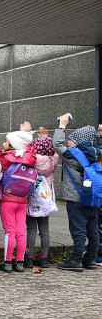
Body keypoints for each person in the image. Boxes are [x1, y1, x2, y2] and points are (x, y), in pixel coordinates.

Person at [53, 115, 101, 272]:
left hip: (77, 199)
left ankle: (75, 261)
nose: (69, 142)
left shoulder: (74, 156)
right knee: (93, 230)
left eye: (72, 140)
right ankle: (90, 260)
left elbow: (57, 144)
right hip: (93, 197)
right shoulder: (96, 153)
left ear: (79, 142)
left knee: (78, 231)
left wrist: (62, 126)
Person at [0, 121, 37, 273]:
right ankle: (20, 262)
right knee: (21, 232)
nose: (4, 143)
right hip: (23, 200)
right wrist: (26, 135)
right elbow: (29, 147)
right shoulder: (29, 157)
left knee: (10, 231)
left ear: (12, 145)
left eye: (6, 141)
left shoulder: (7, 158)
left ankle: (8, 262)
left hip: (8, 199)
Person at [26, 132, 59, 269]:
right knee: (44, 230)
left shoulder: (34, 159)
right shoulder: (54, 159)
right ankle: (44, 258)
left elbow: (27, 151)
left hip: (33, 199)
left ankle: (28, 257)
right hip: (46, 199)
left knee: (31, 229)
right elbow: (56, 151)